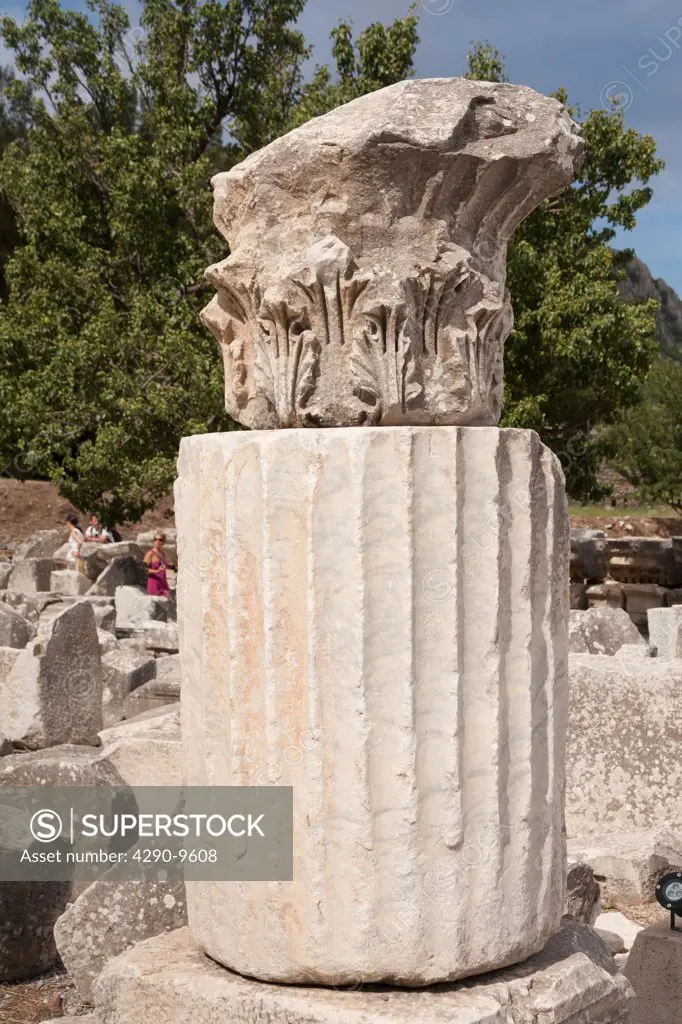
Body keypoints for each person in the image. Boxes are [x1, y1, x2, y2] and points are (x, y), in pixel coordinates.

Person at [144, 532, 171, 597]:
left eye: (160, 540)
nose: (157, 541)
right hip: (154, 584)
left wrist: (173, 567)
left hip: (163, 583)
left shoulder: (162, 553)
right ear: (153, 541)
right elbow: (144, 570)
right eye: (155, 539)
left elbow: (164, 565)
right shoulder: (150, 553)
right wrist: (157, 571)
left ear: (163, 542)